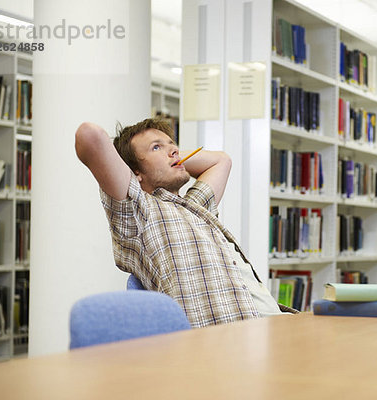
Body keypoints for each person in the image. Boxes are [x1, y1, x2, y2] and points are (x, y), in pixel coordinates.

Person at [75, 118, 295, 328]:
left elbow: (222, 160)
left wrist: (167, 156)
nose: (174, 151)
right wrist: (147, 165)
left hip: (274, 322)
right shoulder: (138, 211)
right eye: (156, 147)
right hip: (230, 336)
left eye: (173, 145)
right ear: (135, 174)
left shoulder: (196, 206)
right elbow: (89, 135)